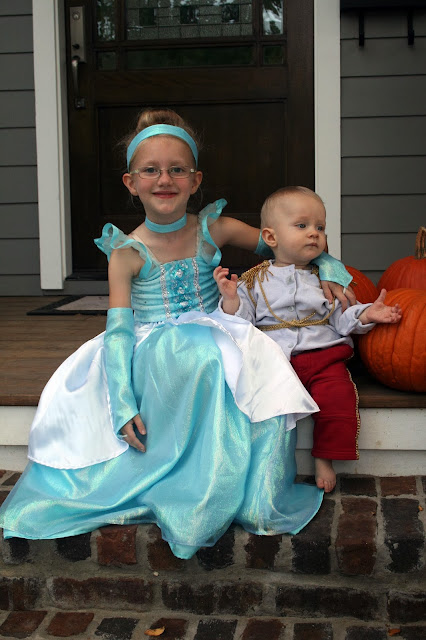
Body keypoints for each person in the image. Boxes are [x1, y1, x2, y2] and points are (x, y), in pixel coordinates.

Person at [0, 111, 355, 559]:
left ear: (195, 180)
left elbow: (286, 242)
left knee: (241, 359)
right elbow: (118, 332)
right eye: (151, 170)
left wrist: (329, 267)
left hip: (215, 328)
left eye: (177, 170)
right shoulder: (127, 253)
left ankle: (225, 487)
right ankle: (181, 488)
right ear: (131, 183)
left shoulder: (214, 229)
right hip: (154, 345)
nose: (164, 179)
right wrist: (121, 402)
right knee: (198, 356)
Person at [214, 186, 402, 493]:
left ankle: (324, 457)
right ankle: (266, 461)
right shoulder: (254, 281)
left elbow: (342, 319)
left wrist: (367, 314)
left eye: (320, 227)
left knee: (338, 399)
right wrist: (232, 300)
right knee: (261, 403)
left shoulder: (327, 281)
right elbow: (241, 324)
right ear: (271, 237)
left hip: (324, 358)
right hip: (276, 362)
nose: (314, 233)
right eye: (302, 225)